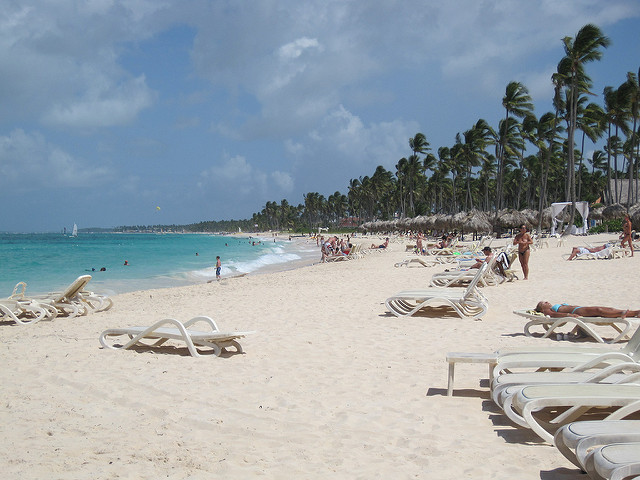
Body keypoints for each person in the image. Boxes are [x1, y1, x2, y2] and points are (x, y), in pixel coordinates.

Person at [536, 301, 640, 319]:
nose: (546, 302)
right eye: (543, 303)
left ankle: (636, 312)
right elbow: (554, 316)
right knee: (599, 310)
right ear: (541, 309)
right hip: (577, 312)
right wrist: (568, 315)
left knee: (608, 309)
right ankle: (623, 313)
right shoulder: (547, 311)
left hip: (580, 308)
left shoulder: (554, 306)